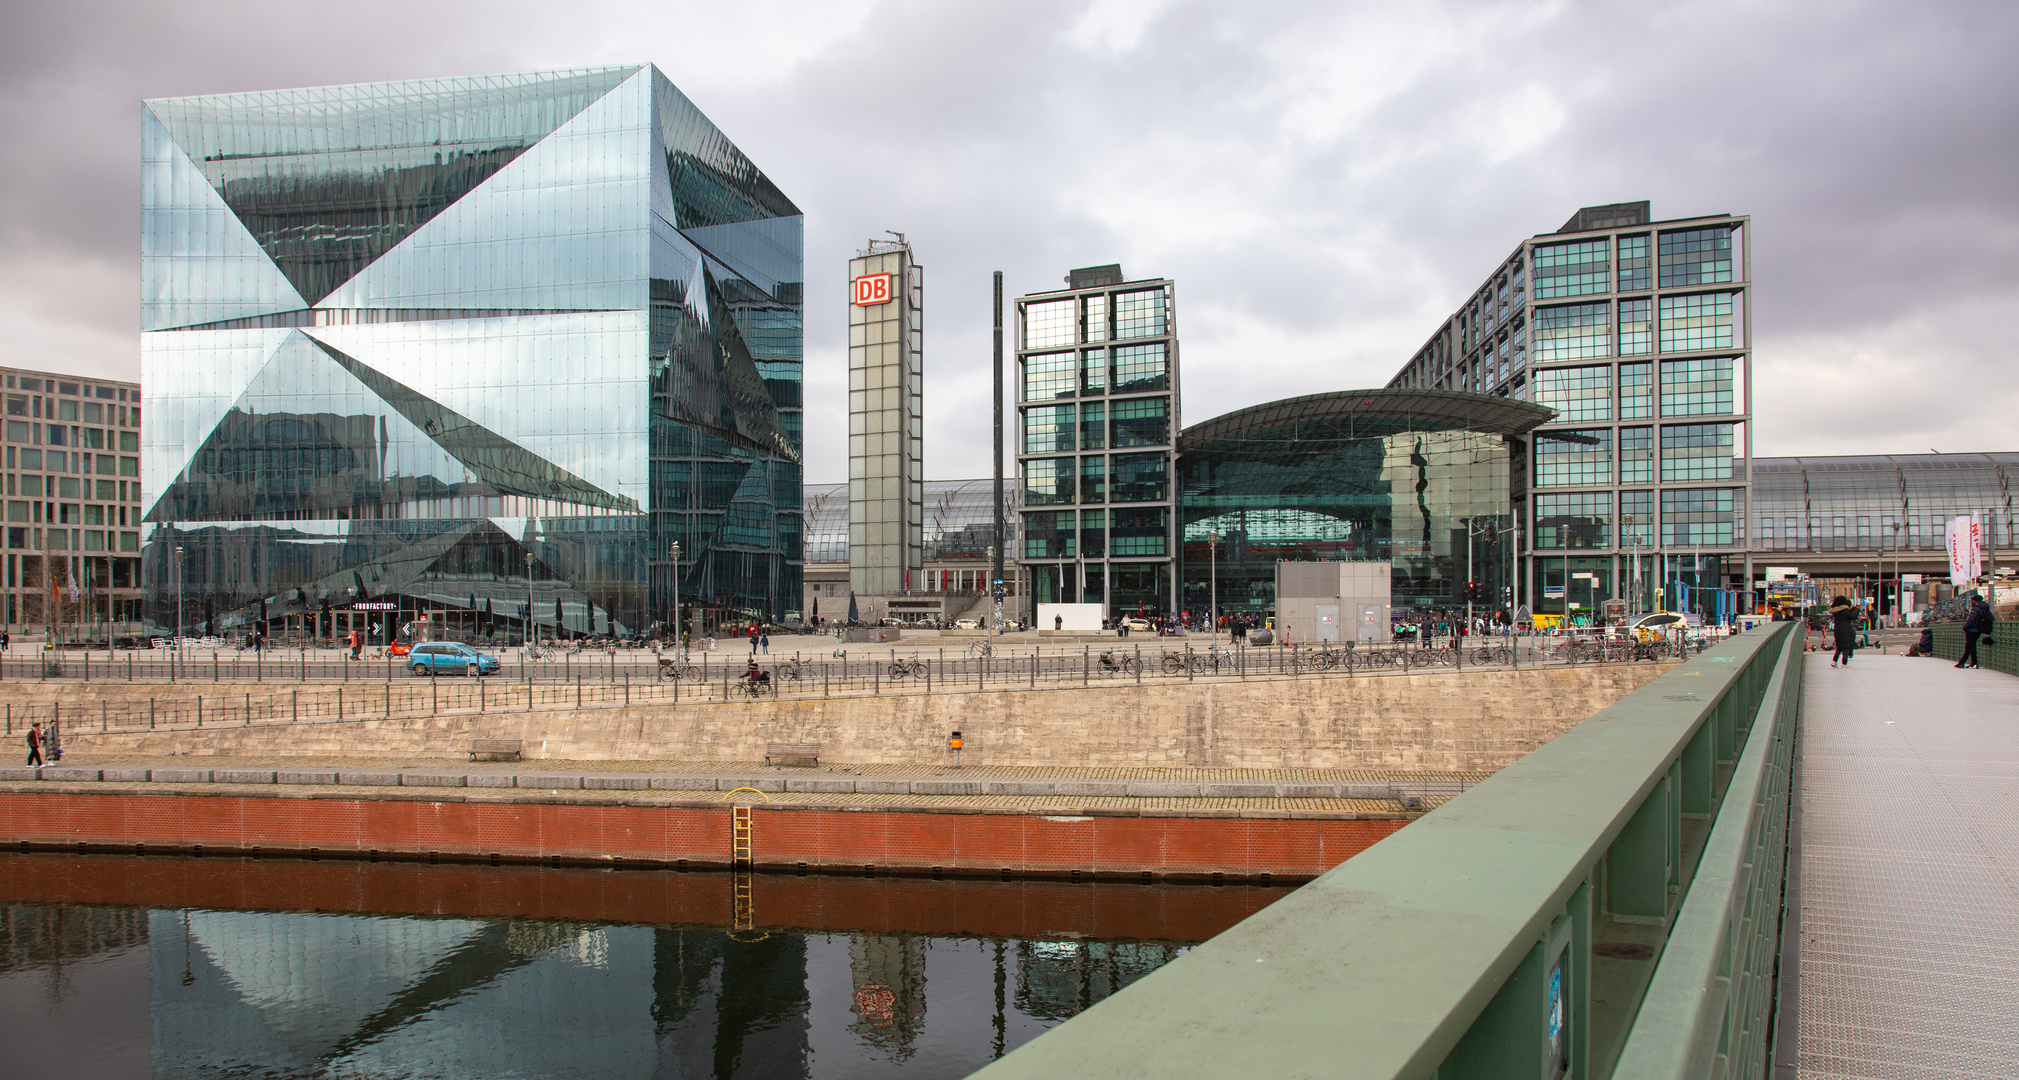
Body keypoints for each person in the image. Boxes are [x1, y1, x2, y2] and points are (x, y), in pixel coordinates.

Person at [1958, 593, 1994, 669]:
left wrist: (1965, 627)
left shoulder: (1976, 608)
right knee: (1969, 646)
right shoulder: (1985, 608)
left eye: (1973, 601)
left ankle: (1974, 663)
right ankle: (1962, 662)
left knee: (1971, 646)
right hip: (1979, 629)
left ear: (1976, 601)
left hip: (1972, 629)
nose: (1972, 602)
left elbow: (1971, 619)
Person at [1829, 595, 1858, 668]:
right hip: (1845, 630)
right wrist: (1857, 610)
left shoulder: (1836, 611)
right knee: (1845, 647)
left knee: (1839, 647)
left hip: (1838, 630)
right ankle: (1844, 663)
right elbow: (1853, 616)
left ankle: (1834, 661)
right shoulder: (1844, 611)